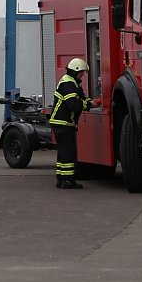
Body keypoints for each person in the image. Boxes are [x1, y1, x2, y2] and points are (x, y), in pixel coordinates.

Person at [49, 57, 101, 189]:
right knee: (69, 153)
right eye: (81, 72)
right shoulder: (68, 84)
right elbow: (73, 104)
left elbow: (82, 97)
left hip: (61, 123)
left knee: (63, 153)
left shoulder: (72, 83)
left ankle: (61, 180)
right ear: (74, 71)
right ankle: (68, 181)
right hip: (63, 124)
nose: (83, 74)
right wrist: (88, 104)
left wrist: (91, 102)